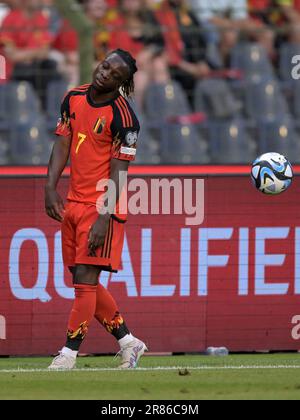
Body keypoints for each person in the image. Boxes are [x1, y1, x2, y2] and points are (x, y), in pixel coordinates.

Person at [45, 49, 147, 370]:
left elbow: (120, 171)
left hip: (102, 206)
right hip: (73, 202)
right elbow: (62, 143)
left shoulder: (125, 119)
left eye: (114, 74)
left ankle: (68, 354)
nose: (105, 73)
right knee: (80, 277)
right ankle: (130, 343)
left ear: (122, 83)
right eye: (105, 66)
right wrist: (50, 187)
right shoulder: (73, 98)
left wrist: (105, 216)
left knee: (85, 283)